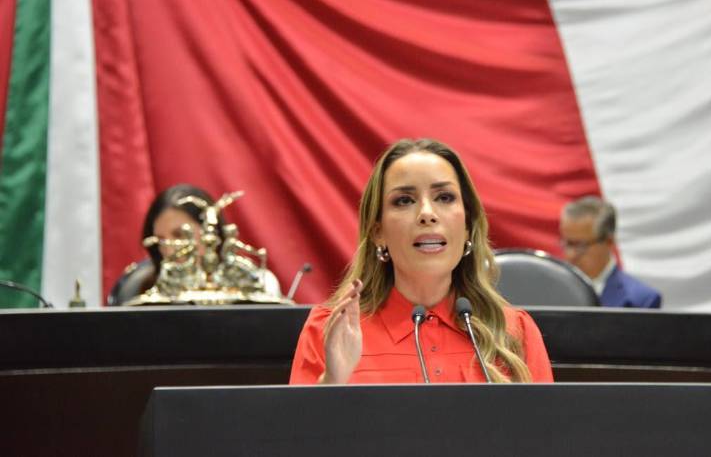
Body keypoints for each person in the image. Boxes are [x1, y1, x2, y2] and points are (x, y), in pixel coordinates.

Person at [289, 139, 553, 384]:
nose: (427, 213)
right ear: (378, 231)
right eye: (404, 200)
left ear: (467, 225)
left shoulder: (516, 331)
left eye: (444, 197)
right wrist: (332, 382)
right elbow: (296, 434)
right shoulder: (329, 329)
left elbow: (549, 433)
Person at [108, 184, 279, 304]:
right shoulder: (138, 288)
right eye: (160, 239)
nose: (169, 248)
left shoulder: (255, 282)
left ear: (210, 230)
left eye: (180, 235)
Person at [559, 196, 661, 308]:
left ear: (608, 242)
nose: (571, 254)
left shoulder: (640, 300)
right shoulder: (553, 292)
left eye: (580, 245)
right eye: (568, 243)